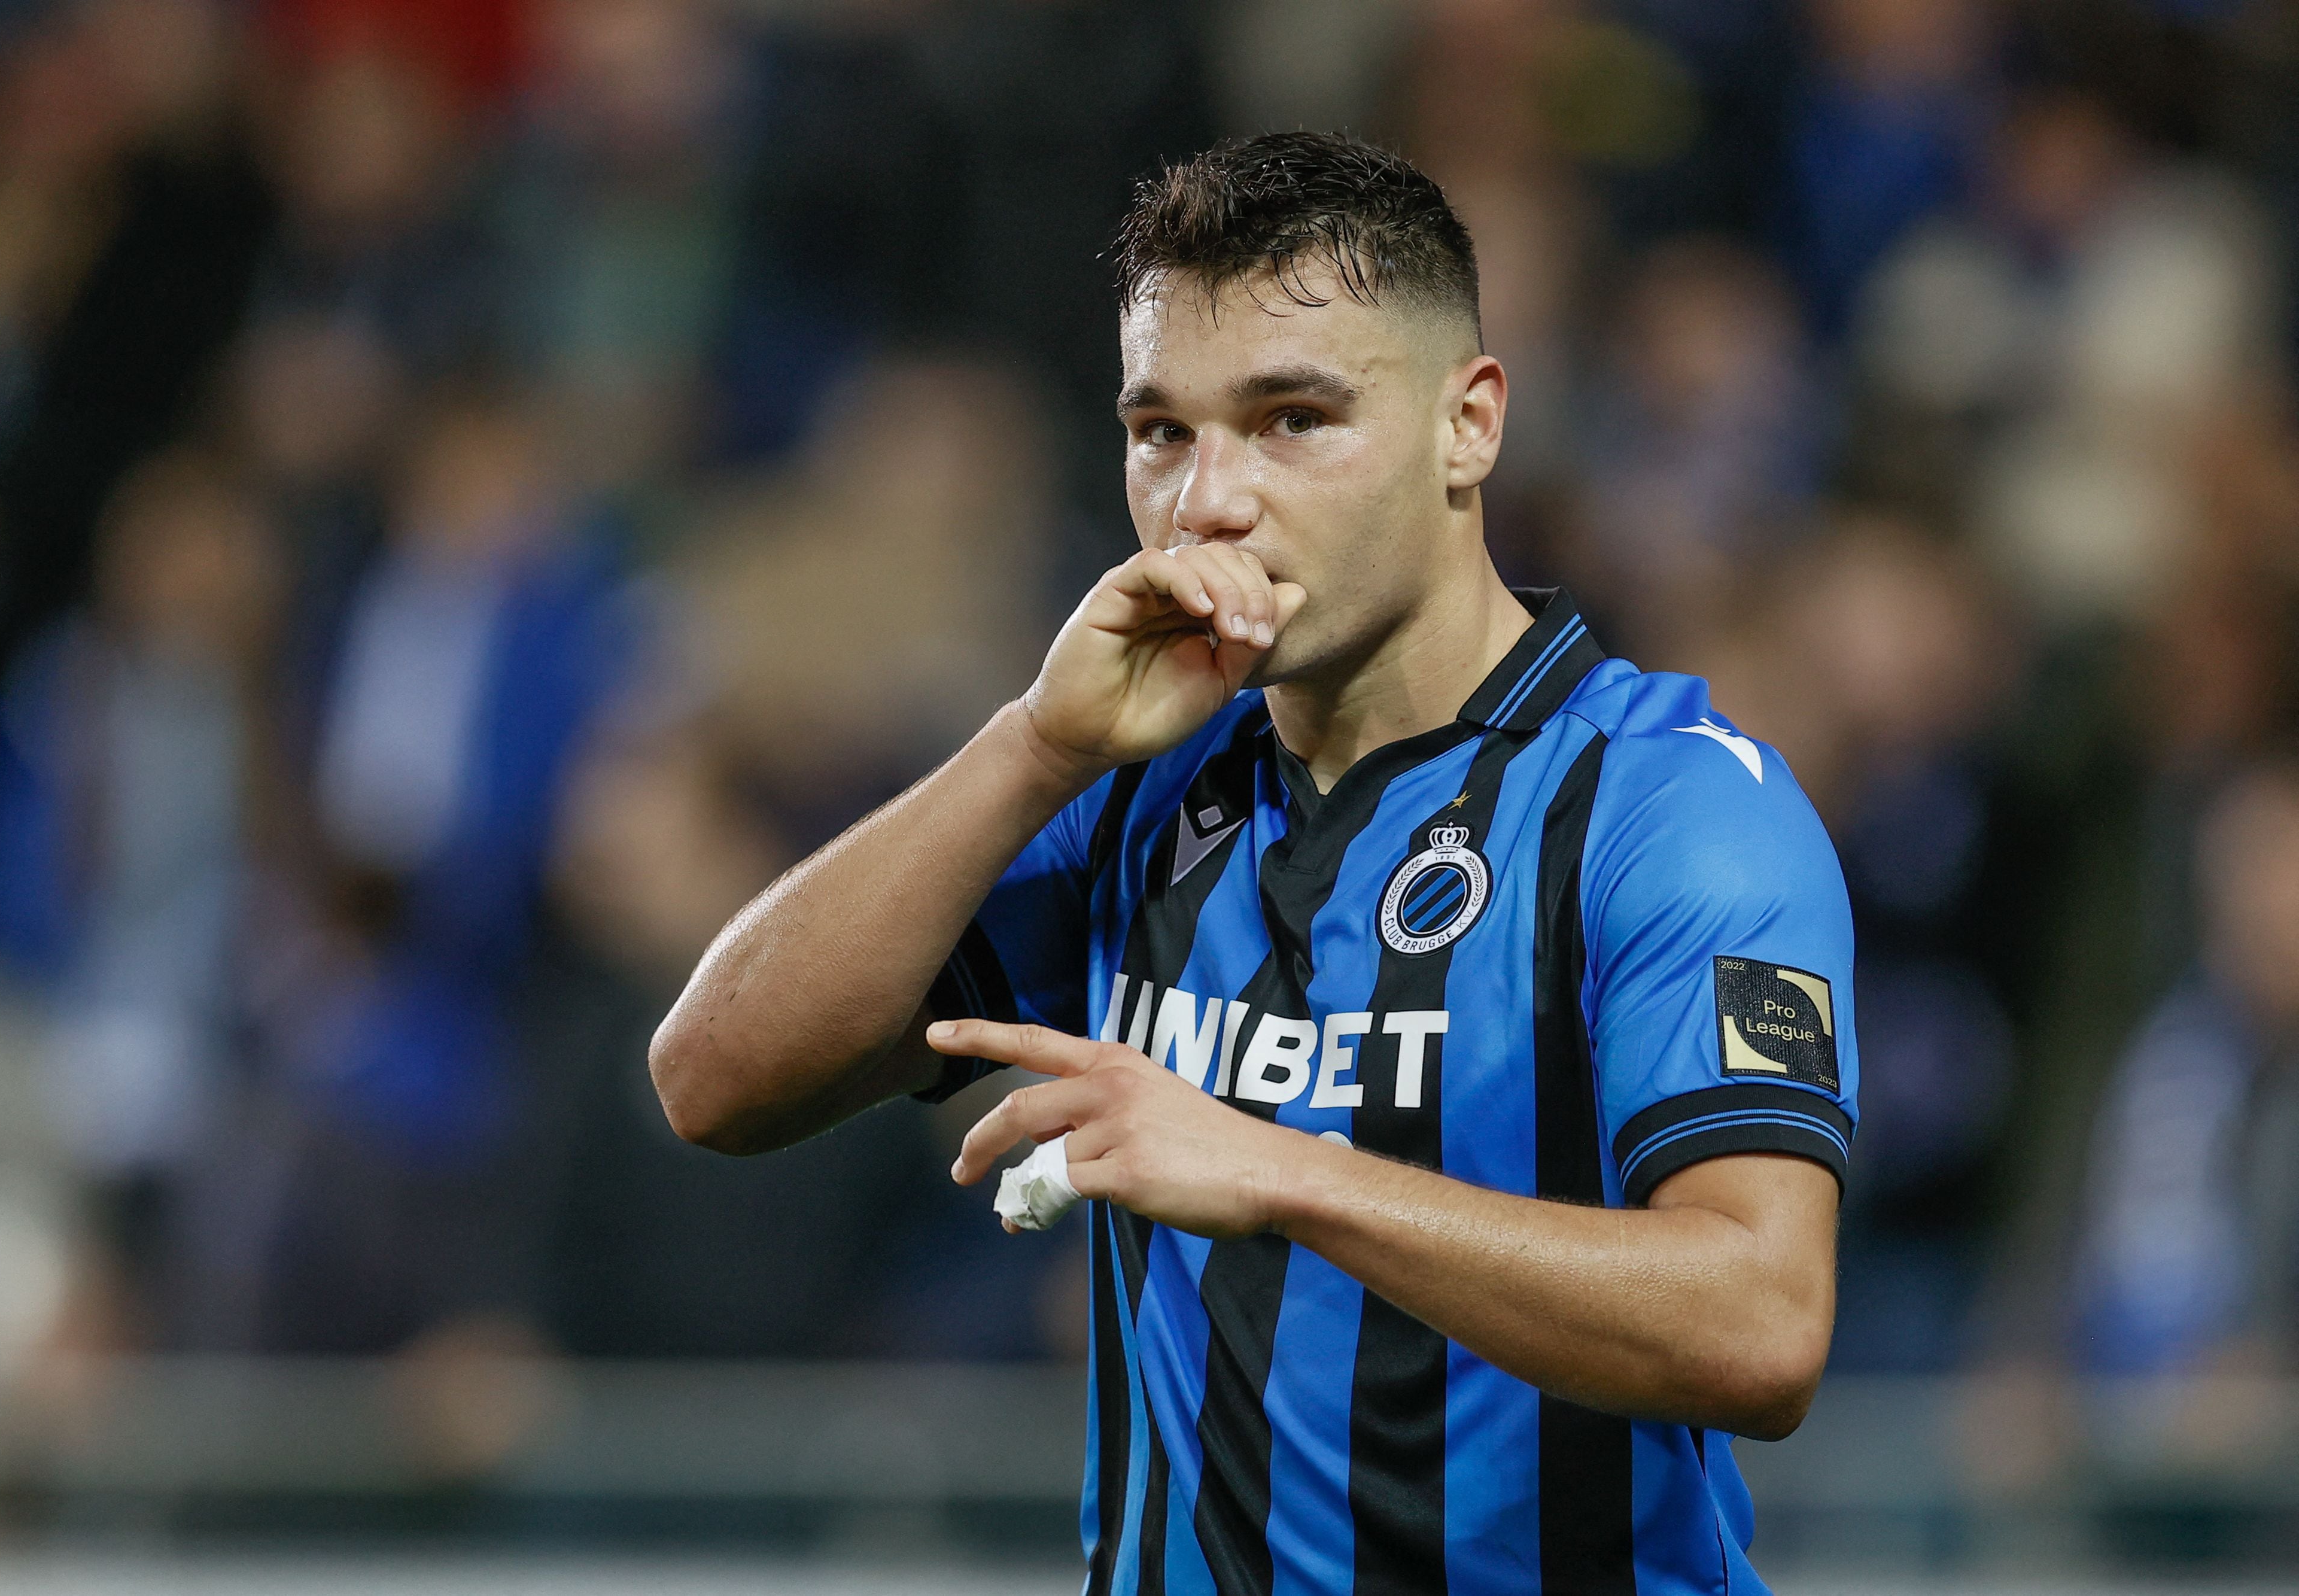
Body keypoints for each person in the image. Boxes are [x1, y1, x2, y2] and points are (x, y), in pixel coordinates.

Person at [650, 132, 1859, 1594]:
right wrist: (1032, 742)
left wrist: (1286, 1173)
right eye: (1160, 431)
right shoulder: (1132, 785)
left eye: (1292, 419)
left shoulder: (1662, 807)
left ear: (1466, 425)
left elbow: (1759, 1322)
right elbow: (711, 1077)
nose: (1207, 499)